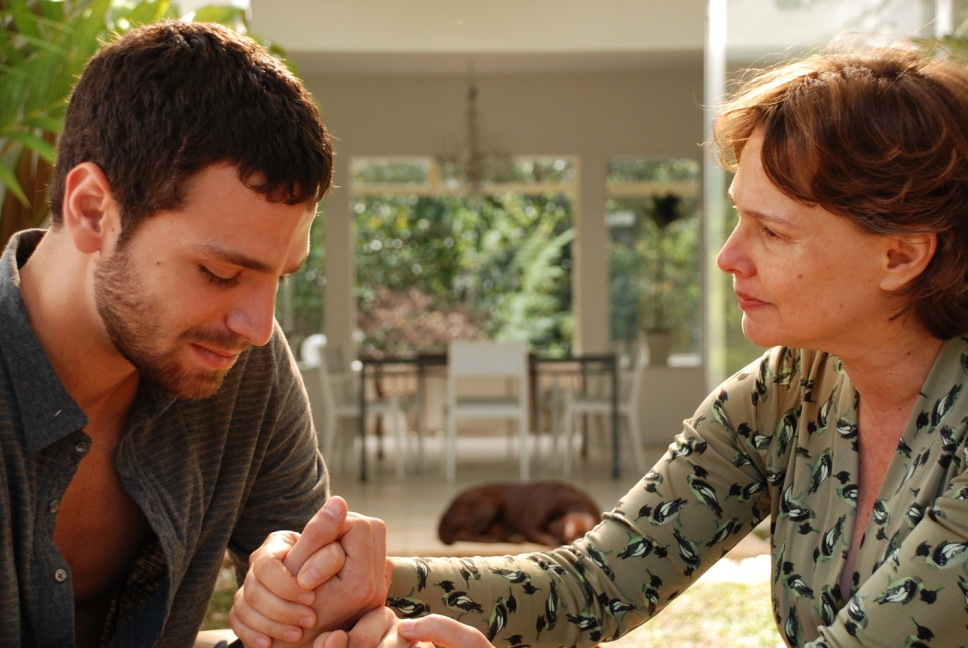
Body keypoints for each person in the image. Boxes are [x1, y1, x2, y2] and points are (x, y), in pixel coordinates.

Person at [239, 40, 968, 648]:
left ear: (901, 256)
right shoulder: (786, 391)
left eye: (773, 232)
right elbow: (593, 584)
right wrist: (374, 582)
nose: (728, 257)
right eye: (741, 217)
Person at [0, 20, 388, 648]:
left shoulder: (241, 365)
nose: (258, 329)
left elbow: (315, 619)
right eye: (219, 273)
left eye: (280, 278)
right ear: (93, 210)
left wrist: (318, 619)